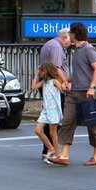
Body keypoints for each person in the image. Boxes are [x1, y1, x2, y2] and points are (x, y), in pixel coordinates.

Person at [50, 22, 96, 166]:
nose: (69, 36)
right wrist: (66, 81)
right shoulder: (76, 50)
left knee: (93, 125)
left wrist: (92, 87)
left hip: (88, 93)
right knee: (68, 121)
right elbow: (77, 72)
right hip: (74, 92)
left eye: (70, 33)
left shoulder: (89, 49)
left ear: (74, 34)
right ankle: (64, 155)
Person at [38, 28, 71, 159]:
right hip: (54, 85)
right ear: (65, 38)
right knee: (54, 118)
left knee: (49, 115)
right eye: (70, 39)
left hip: (47, 83)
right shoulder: (57, 47)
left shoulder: (50, 43)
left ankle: (48, 149)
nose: (71, 42)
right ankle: (52, 150)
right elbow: (57, 68)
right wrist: (65, 82)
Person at [31, 61, 64, 162]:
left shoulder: (54, 81)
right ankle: (51, 148)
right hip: (46, 109)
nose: (41, 73)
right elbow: (33, 87)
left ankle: (58, 155)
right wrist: (36, 74)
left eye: (42, 71)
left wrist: (64, 86)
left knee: (53, 132)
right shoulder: (44, 81)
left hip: (53, 109)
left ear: (47, 71)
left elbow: (62, 90)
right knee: (37, 130)